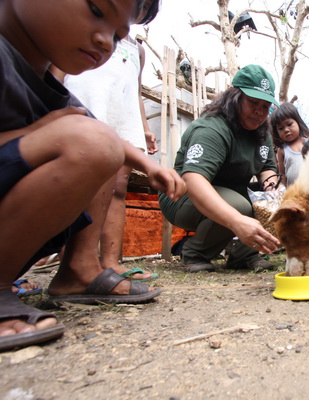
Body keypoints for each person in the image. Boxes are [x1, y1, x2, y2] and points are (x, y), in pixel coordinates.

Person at [0, 0, 185, 352]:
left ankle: (78, 272)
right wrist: (40, 134)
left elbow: (105, 138)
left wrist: (150, 165)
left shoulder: (46, 86)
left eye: (118, 36)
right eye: (97, 10)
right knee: (90, 140)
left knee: (100, 143)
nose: (105, 42)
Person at [51, 0, 160, 282]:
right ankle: (70, 260)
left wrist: (145, 128)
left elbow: (135, 91)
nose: (140, 6)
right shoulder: (88, 23)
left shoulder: (136, 47)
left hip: (121, 114)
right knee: (78, 182)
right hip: (85, 103)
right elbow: (59, 66)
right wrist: (50, 98)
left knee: (118, 187)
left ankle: (112, 261)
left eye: (146, 4)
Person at [159, 65, 281, 273]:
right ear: (234, 97)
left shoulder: (262, 133)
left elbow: (267, 167)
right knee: (240, 206)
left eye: (265, 106)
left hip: (230, 192)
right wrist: (236, 221)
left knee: (266, 202)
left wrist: (273, 193)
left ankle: (244, 255)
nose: (259, 112)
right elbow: (194, 180)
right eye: (253, 103)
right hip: (182, 196)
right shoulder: (211, 128)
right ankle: (194, 253)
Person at [269, 102, 309, 187]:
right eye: (281, 128)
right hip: (294, 193)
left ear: (298, 122)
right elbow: (282, 174)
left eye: (289, 124)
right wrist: (281, 190)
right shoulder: (282, 150)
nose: (286, 130)